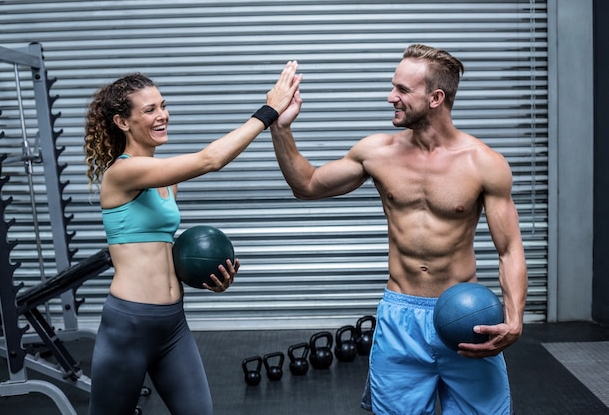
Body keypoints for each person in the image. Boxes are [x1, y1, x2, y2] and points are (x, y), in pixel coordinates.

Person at [270, 44, 527, 414]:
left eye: (403, 90)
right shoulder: (377, 152)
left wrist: (515, 318)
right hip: (400, 317)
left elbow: (510, 250)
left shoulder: (484, 163)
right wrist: (281, 127)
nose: (391, 97)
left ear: (436, 97)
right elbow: (307, 185)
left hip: (466, 317)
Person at [83, 62, 301, 415]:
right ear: (123, 122)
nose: (162, 115)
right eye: (150, 109)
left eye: (163, 105)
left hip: (172, 324)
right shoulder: (122, 173)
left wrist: (206, 275)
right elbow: (210, 160)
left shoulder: (166, 178)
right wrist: (269, 111)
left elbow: (157, 249)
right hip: (129, 325)